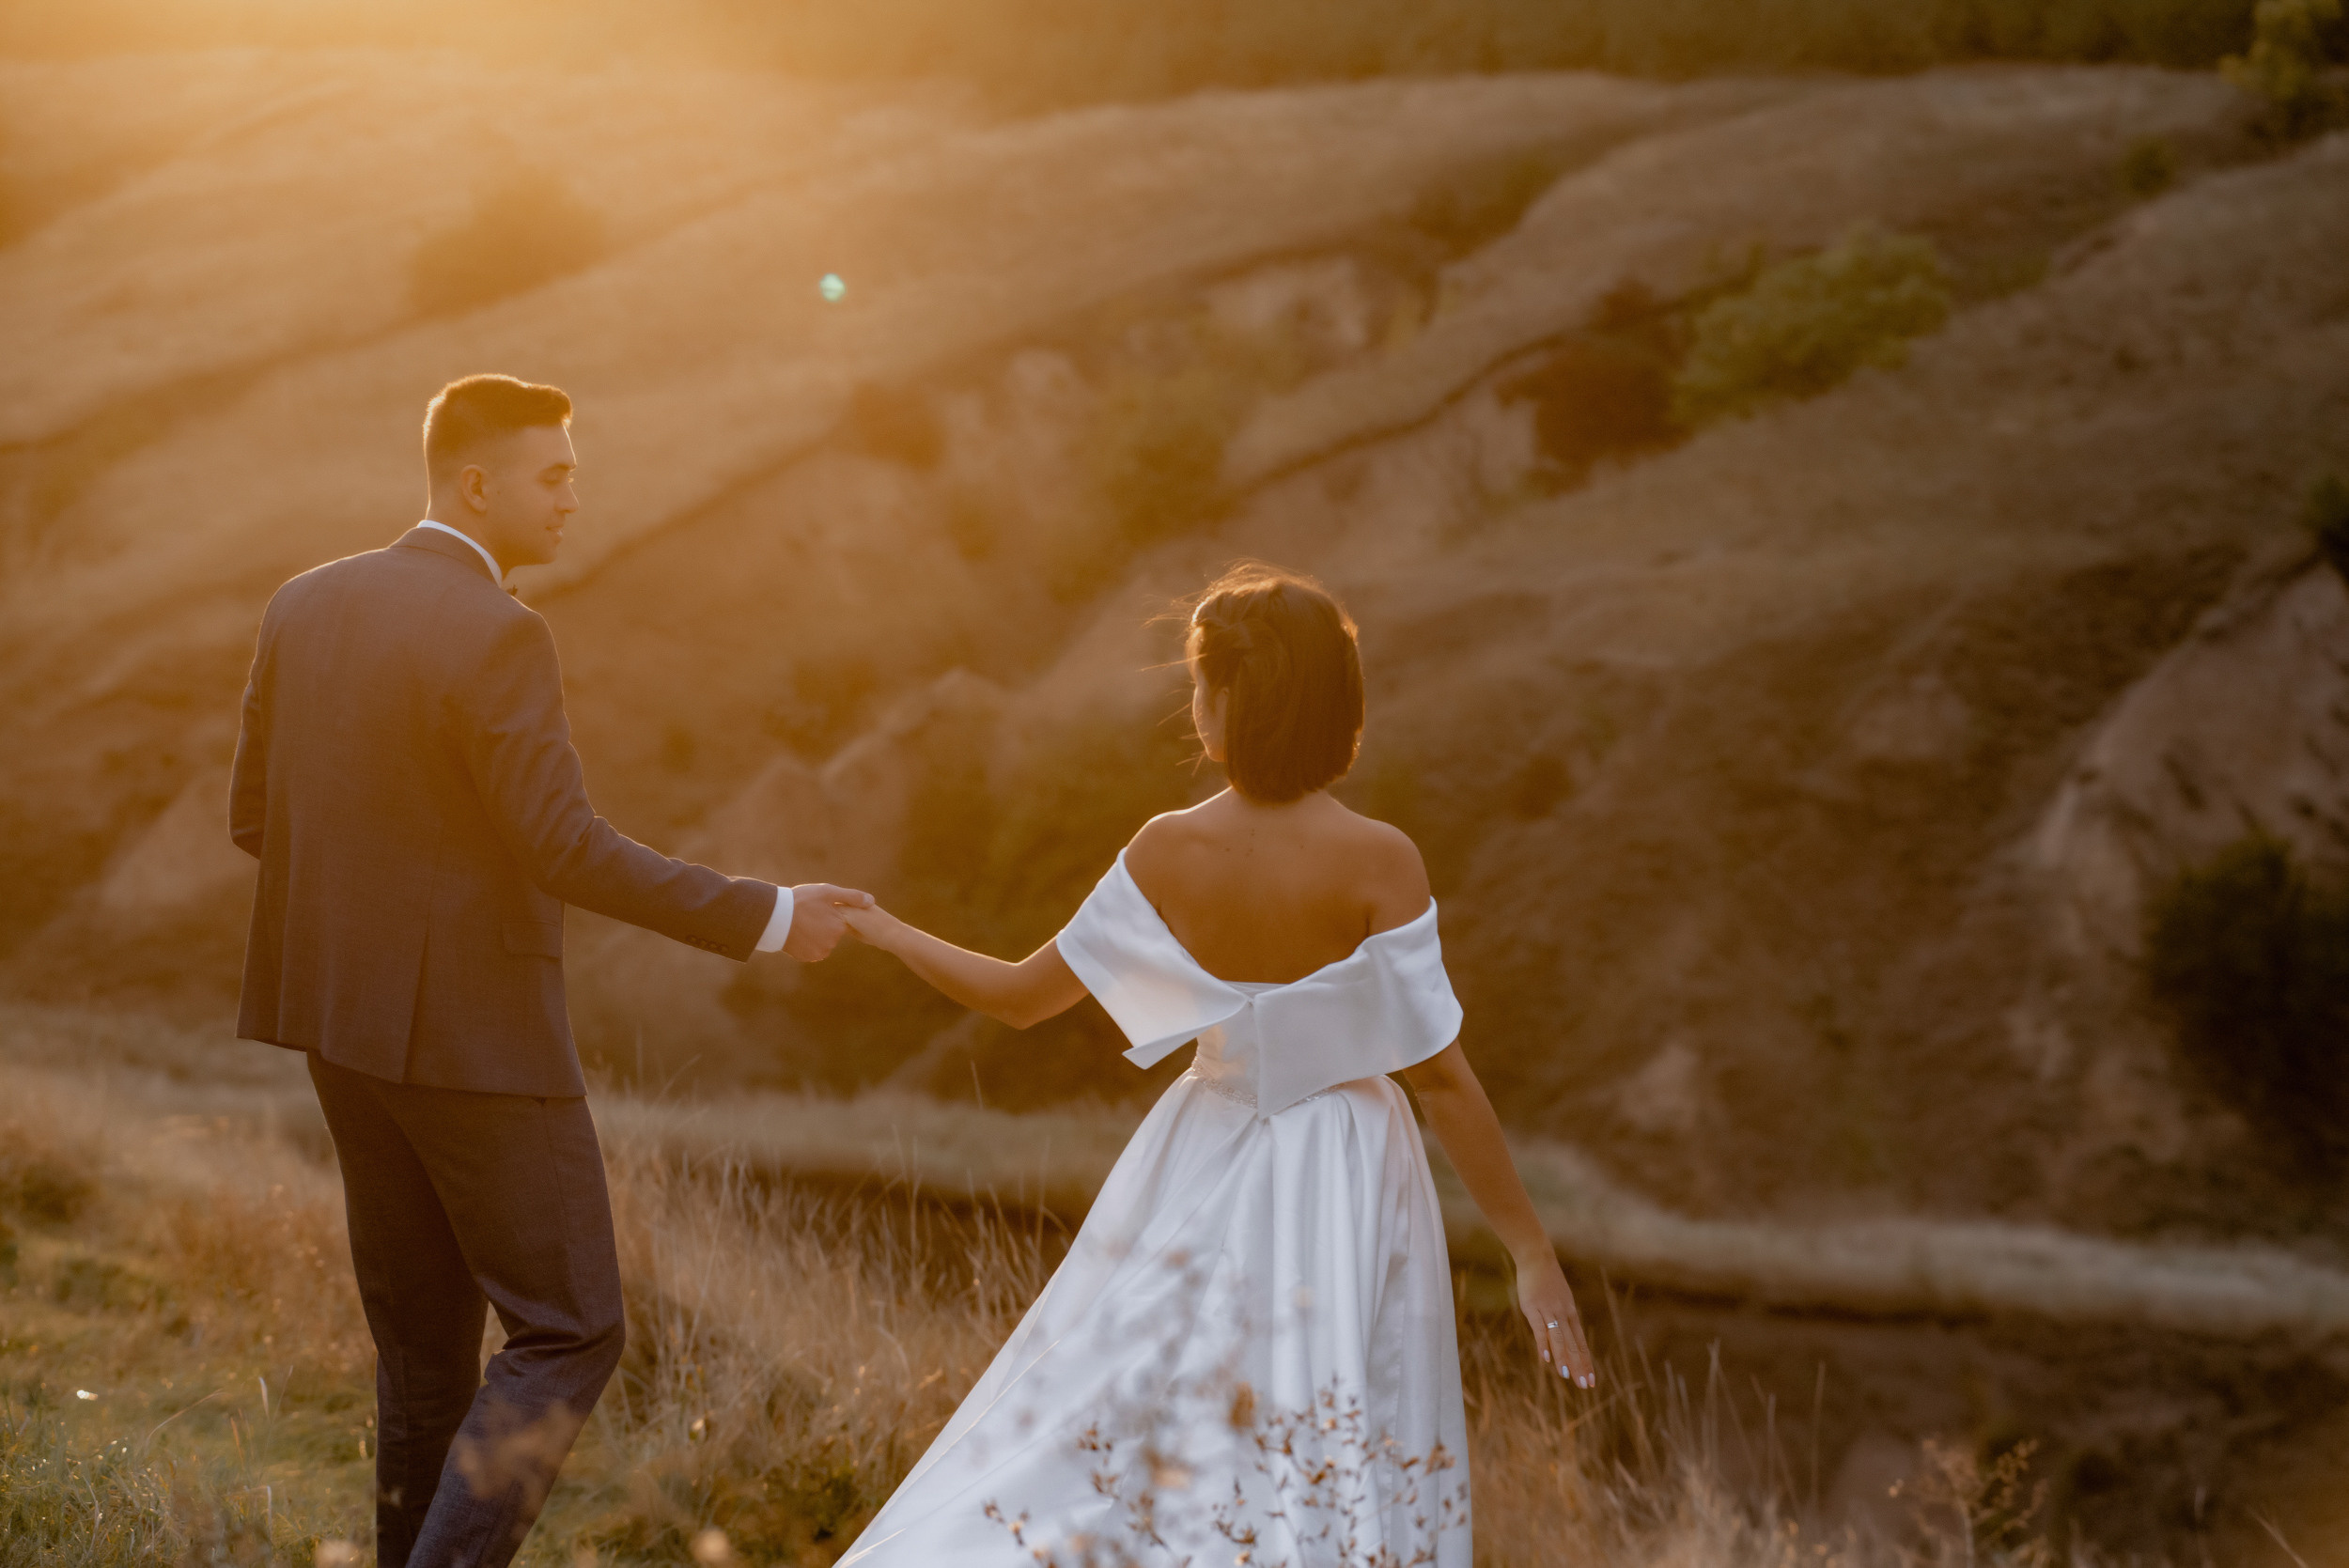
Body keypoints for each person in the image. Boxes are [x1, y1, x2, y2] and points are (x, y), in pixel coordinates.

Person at [228, 374, 870, 1568]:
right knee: (571, 1327)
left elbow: (257, 818)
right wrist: (769, 914)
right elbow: (565, 846)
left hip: (335, 1028)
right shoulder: (501, 631)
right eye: (555, 474)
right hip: (477, 1038)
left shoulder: (301, 602)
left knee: (423, 1354)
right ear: (478, 484)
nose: (576, 498)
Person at [834, 564, 1593, 1567]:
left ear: (1224, 700)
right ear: (1336, 706)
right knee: (1332, 1428)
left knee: (1141, 1415)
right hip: (1348, 1164)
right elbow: (1440, 1077)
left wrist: (885, 929)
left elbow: (1018, 996)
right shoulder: (1380, 858)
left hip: (1200, 1146)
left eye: (1198, 684)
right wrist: (1529, 1251)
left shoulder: (1164, 850)